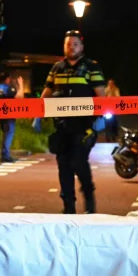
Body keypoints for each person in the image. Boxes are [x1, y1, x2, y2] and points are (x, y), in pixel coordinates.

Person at [41, 30, 106, 214]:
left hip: (84, 127)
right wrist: (37, 113)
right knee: (64, 167)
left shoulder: (91, 67)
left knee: (78, 162)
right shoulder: (57, 68)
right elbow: (46, 93)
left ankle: (89, 202)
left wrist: (100, 117)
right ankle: (68, 208)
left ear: (82, 47)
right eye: (68, 44)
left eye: (75, 44)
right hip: (62, 127)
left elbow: (101, 96)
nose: (71, 47)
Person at [0, 72, 25, 162]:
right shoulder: (7, 88)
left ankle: (4, 153)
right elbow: (19, 97)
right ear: (7, 79)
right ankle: (5, 155)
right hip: (8, 114)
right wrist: (21, 85)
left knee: (5, 133)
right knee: (9, 133)